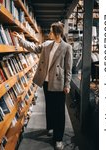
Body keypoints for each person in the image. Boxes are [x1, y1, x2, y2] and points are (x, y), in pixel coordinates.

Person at [14, 22, 73, 150]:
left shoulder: (67, 47)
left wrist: (67, 84)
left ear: (57, 33)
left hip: (58, 84)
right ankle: (51, 127)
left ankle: (58, 139)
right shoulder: (47, 45)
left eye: (51, 32)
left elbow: (68, 69)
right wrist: (21, 40)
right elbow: (34, 48)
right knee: (50, 107)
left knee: (59, 112)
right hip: (46, 83)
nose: (49, 34)